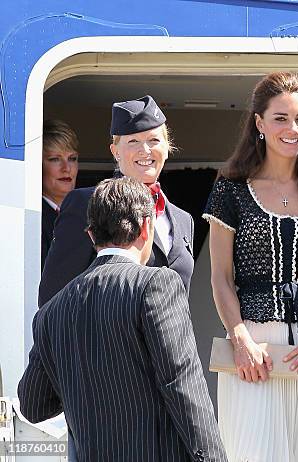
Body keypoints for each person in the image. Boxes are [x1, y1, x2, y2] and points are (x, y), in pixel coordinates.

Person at [19, 177, 227, 462]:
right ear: (146, 227)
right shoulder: (157, 283)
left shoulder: (51, 312)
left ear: (91, 235)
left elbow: (33, 405)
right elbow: (182, 381)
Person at [203, 72, 298, 462]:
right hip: (251, 350)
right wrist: (240, 340)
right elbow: (220, 277)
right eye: (281, 118)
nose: (293, 128)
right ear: (259, 123)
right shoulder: (230, 189)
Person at [39, 95, 195, 307]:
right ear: (115, 152)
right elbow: (53, 298)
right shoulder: (87, 203)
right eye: (133, 141)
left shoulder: (183, 219)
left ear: (167, 147)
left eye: (154, 140)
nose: (145, 150)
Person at [41, 119, 79, 270]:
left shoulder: (89, 215)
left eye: (72, 158)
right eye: (55, 159)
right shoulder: (32, 219)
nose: (66, 168)